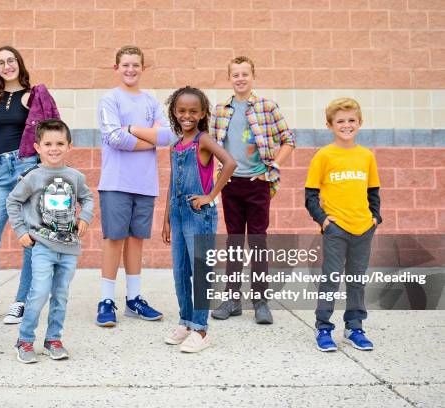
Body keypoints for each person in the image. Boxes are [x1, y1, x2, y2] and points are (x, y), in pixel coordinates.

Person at [132, 86, 237, 352]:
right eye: (181, 111)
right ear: (174, 112)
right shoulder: (176, 144)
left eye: (193, 111)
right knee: (180, 273)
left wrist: (210, 195)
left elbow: (230, 163)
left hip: (199, 216)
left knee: (201, 272)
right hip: (178, 215)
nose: (186, 115)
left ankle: (201, 330)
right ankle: (186, 322)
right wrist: (167, 218)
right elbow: (172, 183)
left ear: (202, 113)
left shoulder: (203, 140)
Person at [0, 46, 58, 325]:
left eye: (11, 61)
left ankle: (21, 301)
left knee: (29, 240)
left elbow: (47, 133)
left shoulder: (33, 96)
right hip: (0, 171)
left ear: (19, 63)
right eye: (1, 63)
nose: (7, 66)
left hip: (26, 169)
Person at [209, 56, 295, 324]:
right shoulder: (220, 109)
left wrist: (272, 169)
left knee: (258, 242)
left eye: (245, 74)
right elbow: (211, 145)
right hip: (231, 184)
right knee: (234, 242)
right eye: (235, 74)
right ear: (230, 78)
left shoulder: (267, 107)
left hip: (258, 184)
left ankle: (260, 301)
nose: (240, 78)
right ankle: (232, 299)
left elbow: (288, 140)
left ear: (253, 76)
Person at [95, 45, 174, 327]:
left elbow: (168, 136)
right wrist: (148, 138)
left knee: (136, 240)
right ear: (116, 68)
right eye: (125, 65)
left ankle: (134, 299)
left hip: (144, 184)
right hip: (116, 182)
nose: (130, 69)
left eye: (135, 65)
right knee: (114, 239)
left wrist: (132, 129)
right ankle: (106, 301)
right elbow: (114, 138)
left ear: (143, 68)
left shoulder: (152, 101)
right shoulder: (109, 100)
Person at [6, 119, 94, 363]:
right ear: (37, 147)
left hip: (69, 247)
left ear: (69, 146)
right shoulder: (33, 177)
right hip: (42, 246)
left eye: (59, 143)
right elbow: (12, 202)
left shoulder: (74, 176)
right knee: (39, 292)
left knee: (61, 295)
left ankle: (53, 338)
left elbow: (88, 198)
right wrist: (21, 230)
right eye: (48, 144)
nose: (54, 148)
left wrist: (85, 217)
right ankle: (24, 340)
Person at [305, 97, 381, 352]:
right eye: (340, 121)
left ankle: (354, 327)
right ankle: (323, 327)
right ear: (330, 125)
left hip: (363, 228)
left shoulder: (366, 156)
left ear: (360, 123)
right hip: (337, 229)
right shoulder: (324, 155)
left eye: (351, 120)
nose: (346, 125)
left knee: (357, 280)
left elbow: (373, 192)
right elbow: (310, 195)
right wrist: (324, 220)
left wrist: (375, 218)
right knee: (331, 278)